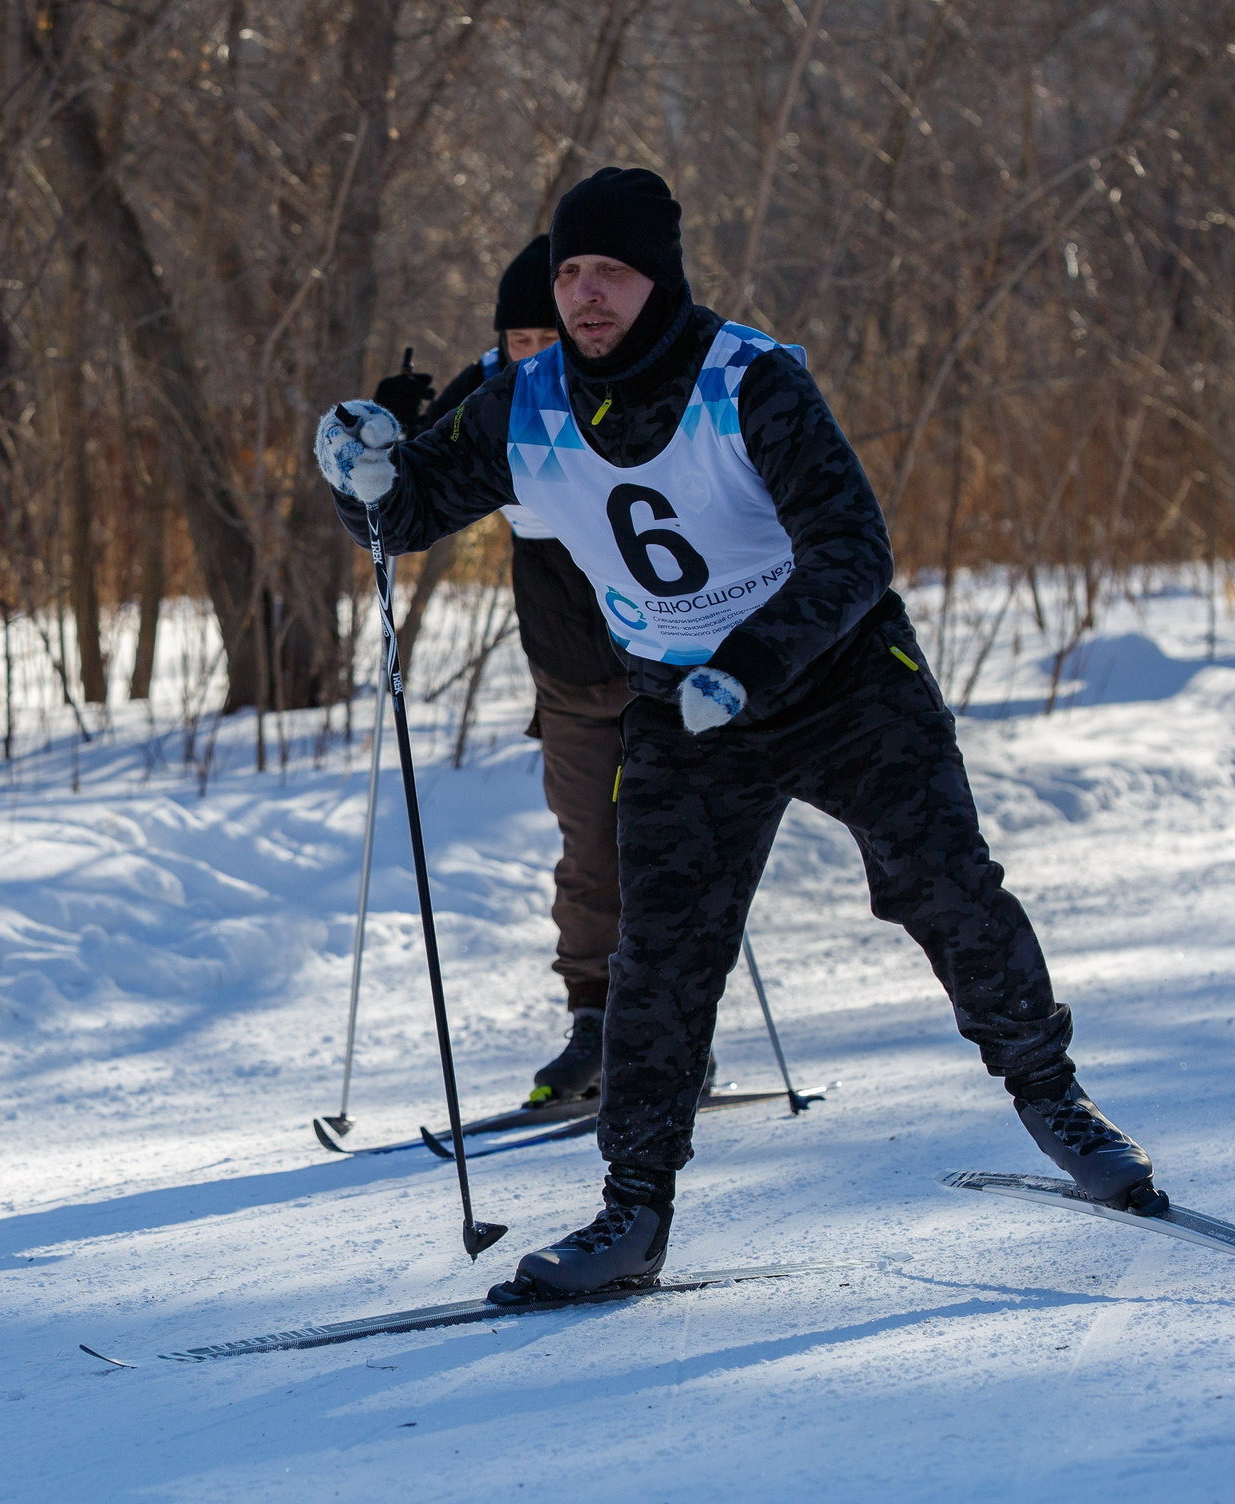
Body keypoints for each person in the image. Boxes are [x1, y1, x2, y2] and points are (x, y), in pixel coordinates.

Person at [313, 168, 1168, 1302]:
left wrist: (752, 667)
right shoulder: (525, 400)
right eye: (569, 273)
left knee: (943, 886)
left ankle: (1054, 1100)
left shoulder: (746, 378)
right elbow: (406, 514)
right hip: (676, 705)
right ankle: (632, 1214)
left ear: (657, 276)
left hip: (839, 679)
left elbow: (854, 552)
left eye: (609, 271)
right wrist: (357, 474)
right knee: (660, 959)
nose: (584, 295)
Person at [367, 238, 632, 1110]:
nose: (530, 356)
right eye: (515, 338)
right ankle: (593, 1022)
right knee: (590, 855)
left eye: (543, 338)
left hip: (659, 664)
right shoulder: (491, 393)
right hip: (564, 669)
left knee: (669, 857)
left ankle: (666, 1032)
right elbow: (409, 491)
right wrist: (391, 431)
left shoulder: (620, 383)